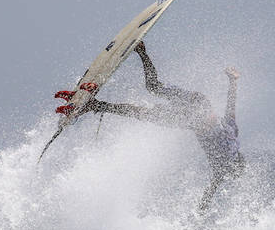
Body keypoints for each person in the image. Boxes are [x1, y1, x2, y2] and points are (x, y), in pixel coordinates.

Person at [86, 41, 243, 210]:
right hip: (192, 118)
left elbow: (230, 107)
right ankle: (96, 105)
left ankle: (141, 51)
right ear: (230, 167)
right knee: (142, 113)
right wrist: (201, 209)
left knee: (153, 88)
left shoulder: (233, 134)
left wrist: (233, 81)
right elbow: (211, 190)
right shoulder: (221, 165)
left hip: (198, 102)